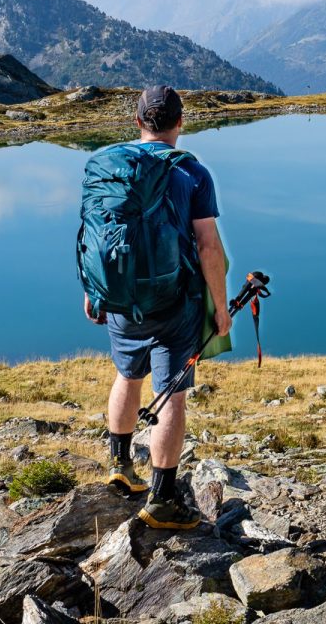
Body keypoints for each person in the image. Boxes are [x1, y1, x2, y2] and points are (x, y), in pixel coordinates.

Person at [86, 85, 231, 529]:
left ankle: (119, 464)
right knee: (172, 393)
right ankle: (163, 499)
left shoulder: (110, 166)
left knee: (127, 374)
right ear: (180, 123)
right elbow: (208, 246)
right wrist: (220, 309)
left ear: (138, 124)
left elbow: (94, 232)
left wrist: (94, 290)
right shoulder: (192, 173)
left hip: (122, 300)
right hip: (174, 302)